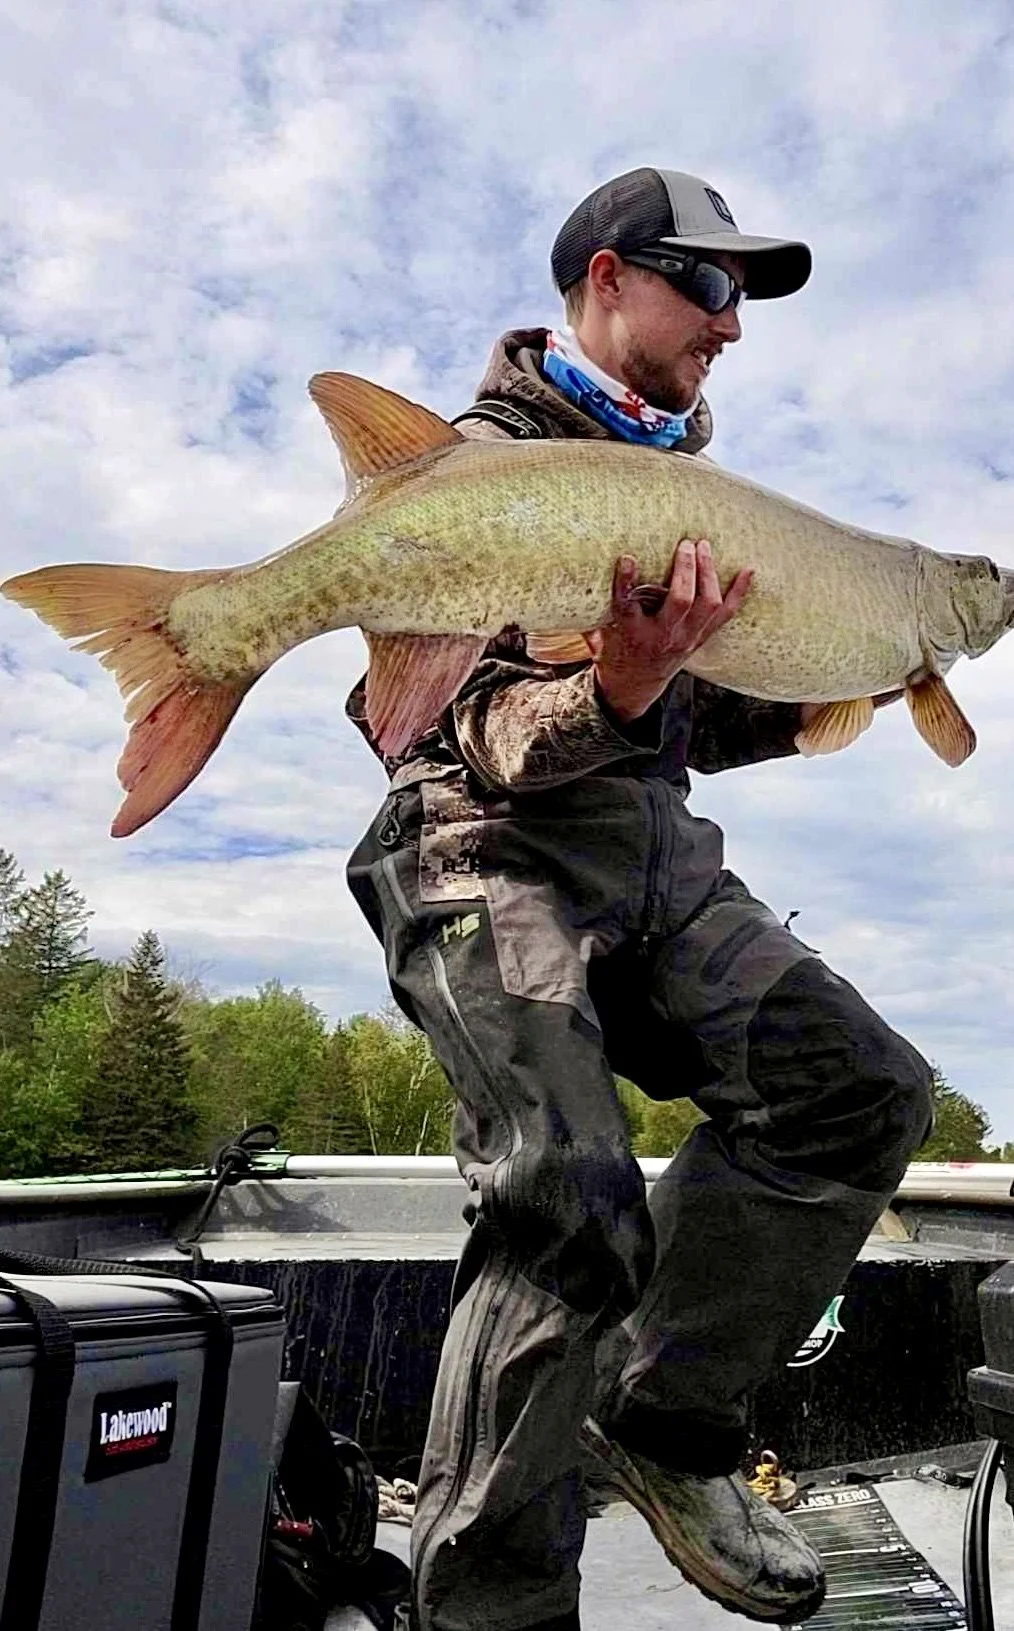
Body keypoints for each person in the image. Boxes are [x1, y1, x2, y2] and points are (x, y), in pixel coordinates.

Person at [346, 167, 933, 1631]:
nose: (733, 328)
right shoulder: (470, 473)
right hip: (477, 844)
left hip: (648, 850)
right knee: (569, 1195)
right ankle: (490, 1608)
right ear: (608, 278)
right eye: (712, 288)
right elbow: (455, 728)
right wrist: (618, 682)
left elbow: (670, 722)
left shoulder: (689, 497)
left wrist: (813, 695)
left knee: (856, 1087)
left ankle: (663, 1425)